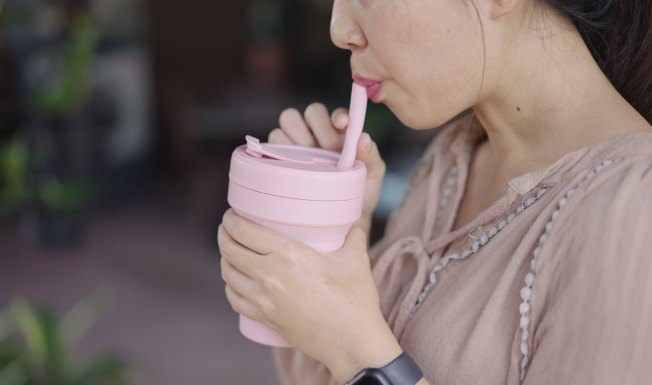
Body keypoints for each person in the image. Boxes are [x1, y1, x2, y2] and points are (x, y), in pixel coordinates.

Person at [217, 0, 652, 384]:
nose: (338, 30)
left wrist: (358, 352)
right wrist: (329, 232)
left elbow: (349, 349)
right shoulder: (449, 161)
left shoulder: (632, 211)